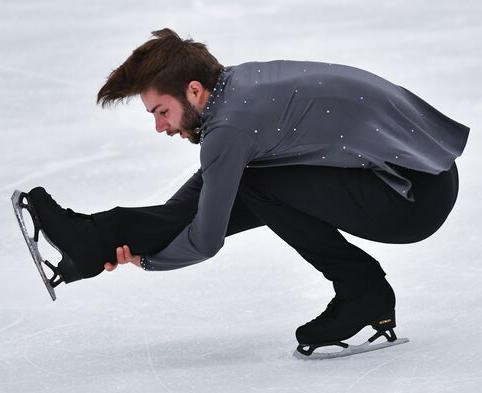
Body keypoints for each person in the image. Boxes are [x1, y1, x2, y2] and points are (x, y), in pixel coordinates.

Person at [24, 28, 469, 353]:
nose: (159, 126)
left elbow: (207, 238)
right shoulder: (237, 87)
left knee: (253, 183)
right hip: (424, 171)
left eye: (161, 111)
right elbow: (198, 200)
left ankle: (362, 291)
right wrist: (122, 234)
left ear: (193, 90)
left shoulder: (230, 128)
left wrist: (148, 259)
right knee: (247, 182)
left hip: (410, 196)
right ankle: (90, 236)